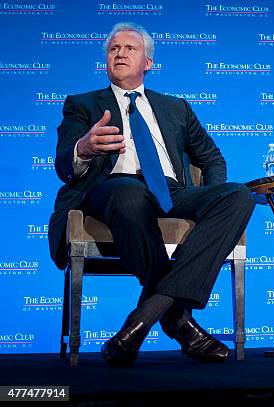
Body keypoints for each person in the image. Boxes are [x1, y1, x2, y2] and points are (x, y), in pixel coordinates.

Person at [48, 22, 255, 367]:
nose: (120, 53)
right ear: (106, 62)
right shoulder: (82, 104)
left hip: (172, 191)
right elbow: (64, 164)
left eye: (130, 48)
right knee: (130, 192)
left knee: (238, 196)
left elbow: (212, 157)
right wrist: (83, 148)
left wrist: (204, 193)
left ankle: (143, 318)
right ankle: (180, 324)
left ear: (148, 63)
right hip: (111, 189)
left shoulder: (176, 108)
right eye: (114, 49)